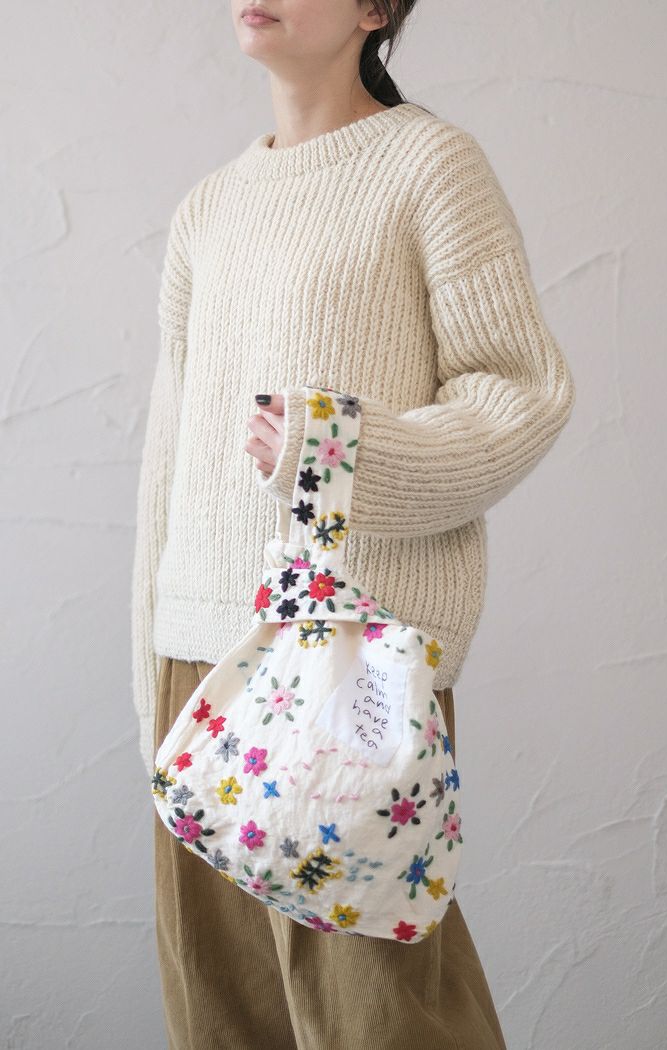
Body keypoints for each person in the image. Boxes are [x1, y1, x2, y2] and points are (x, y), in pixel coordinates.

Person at [131, 1, 576, 1046]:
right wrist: (149, 684)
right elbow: (169, 459)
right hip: (197, 662)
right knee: (221, 1015)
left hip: (348, 659)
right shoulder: (208, 208)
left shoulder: (431, 167)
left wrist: (338, 455)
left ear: (375, 9)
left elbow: (520, 392)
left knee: (378, 1021)